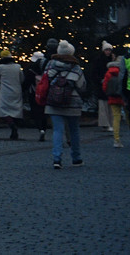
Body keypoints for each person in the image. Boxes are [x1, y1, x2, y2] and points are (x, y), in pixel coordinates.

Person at [42, 39, 86, 169]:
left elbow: (45, 80)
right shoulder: (76, 67)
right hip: (72, 101)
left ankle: (57, 159)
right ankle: (76, 158)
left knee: (57, 130)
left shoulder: (50, 64)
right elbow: (81, 86)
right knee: (74, 130)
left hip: (54, 101)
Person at [0, 49, 24, 140]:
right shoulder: (18, 67)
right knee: (16, 110)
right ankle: (15, 125)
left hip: (5, 92)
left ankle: (11, 124)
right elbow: (22, 79)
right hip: (16, 91)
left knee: (4, 111)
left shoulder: (1, 67)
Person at [102, 51, 123, 148]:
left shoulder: (109, 72)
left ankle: (116, 140)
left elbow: (105, 86)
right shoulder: (123, 71)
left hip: (112, 97)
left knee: (116, 117)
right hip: (123, 97)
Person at [29, 49, 49, 140]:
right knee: (43, 111)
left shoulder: (31, 68)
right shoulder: (47, 67)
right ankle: (44, 128)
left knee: (36, 111)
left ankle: (40, 128)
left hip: (34, 91)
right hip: (44, 91)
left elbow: (26, 81)